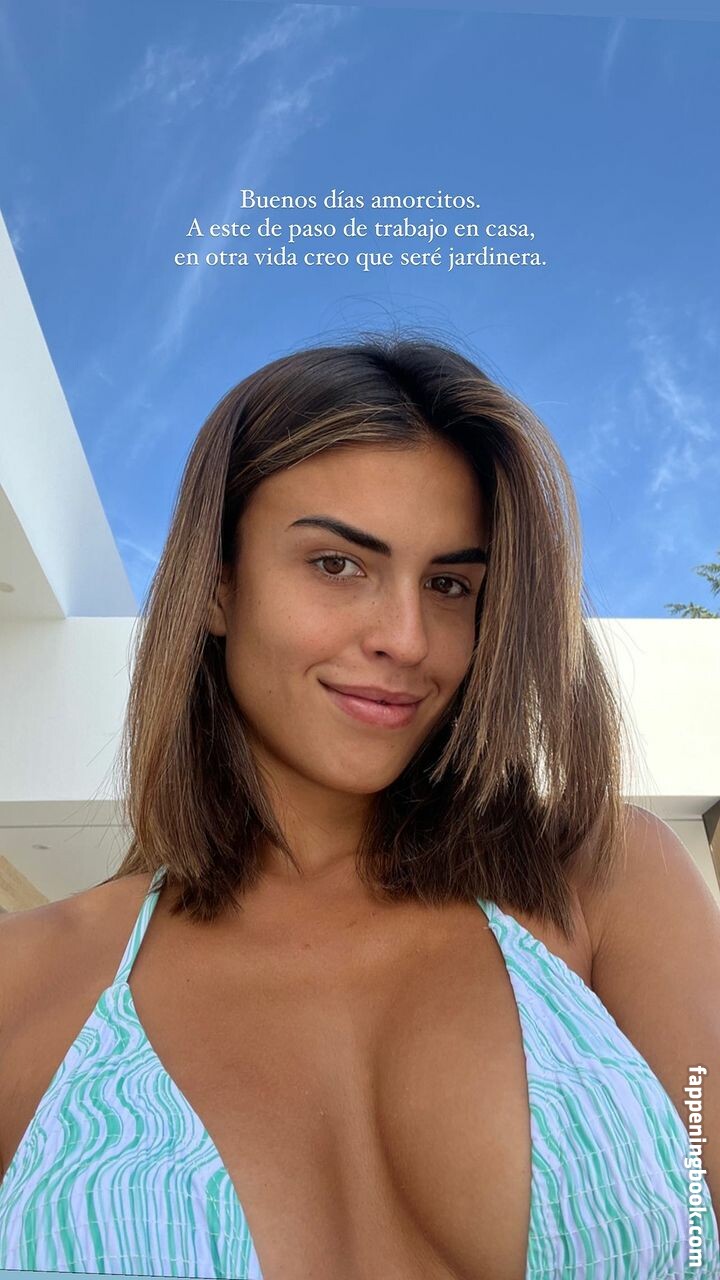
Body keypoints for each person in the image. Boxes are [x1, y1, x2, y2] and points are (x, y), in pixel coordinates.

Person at [0, 333, 718, 1280]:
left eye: (451, 585)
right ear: (217, 586)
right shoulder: (25, 980)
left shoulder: (602, 882)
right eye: (338, 564)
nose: (407, 639)